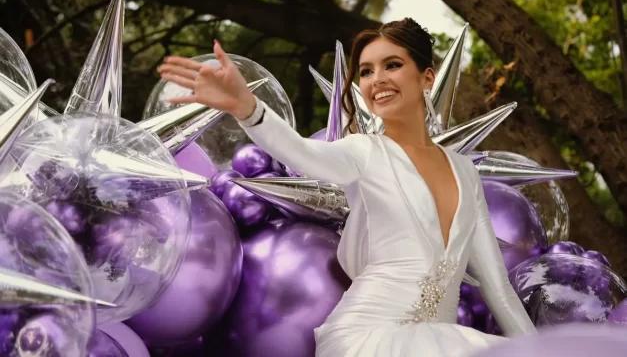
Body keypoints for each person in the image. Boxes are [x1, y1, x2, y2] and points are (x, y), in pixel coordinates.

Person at [157, 18, 537, 357]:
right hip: (367, 338)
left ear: (427, 77)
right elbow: (301, 152)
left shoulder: (465, 174)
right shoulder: (363, 152)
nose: (377, 80)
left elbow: (496, 285)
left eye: (392, 65)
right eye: (366, 71)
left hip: (440, 340)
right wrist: (248, 108)